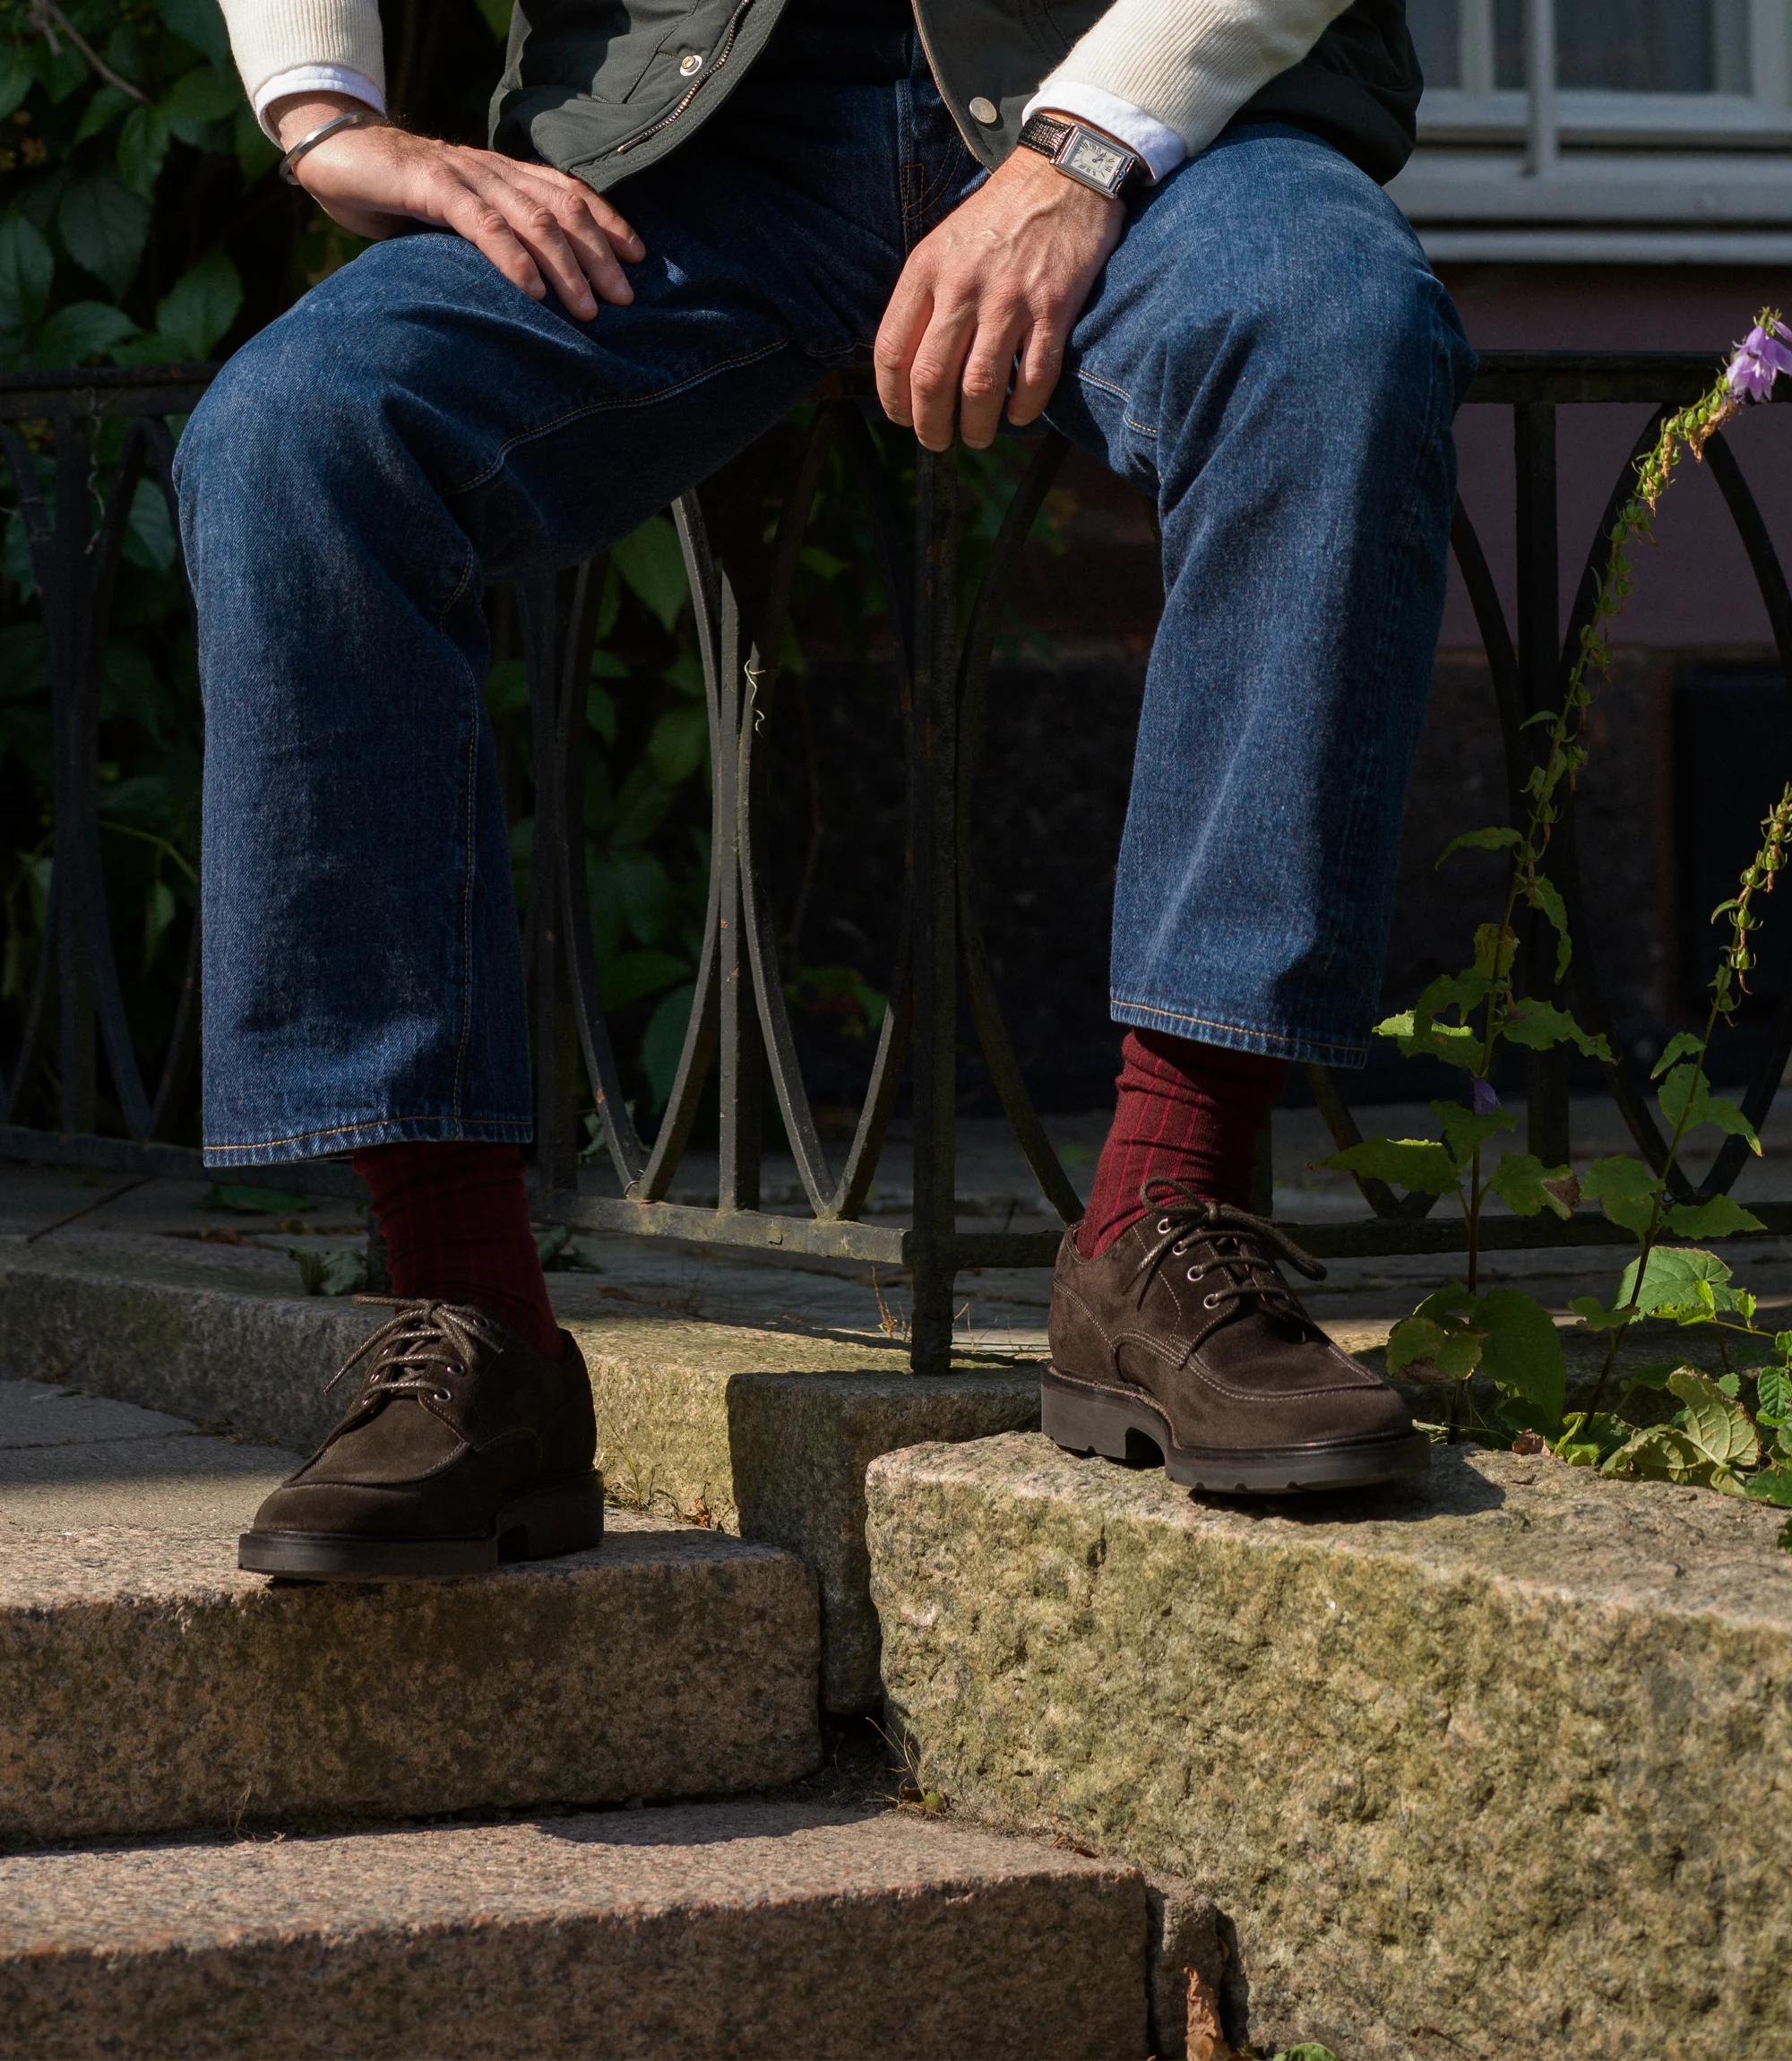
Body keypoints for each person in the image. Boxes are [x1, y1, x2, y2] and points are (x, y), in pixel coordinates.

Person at [188, 0, 1474, 1580]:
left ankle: (1162, 1219)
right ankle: (472, 1321)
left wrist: (1083, 144)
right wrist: (320, 108)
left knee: (1333, 325)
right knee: (295, 438)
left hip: (1141, 112)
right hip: (682, 151)